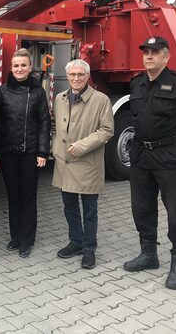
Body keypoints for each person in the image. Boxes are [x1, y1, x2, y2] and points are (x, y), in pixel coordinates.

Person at [123, 36, 176, 290]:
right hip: (140, 156)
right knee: (142, 207)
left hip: (169, 156)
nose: (149, 56)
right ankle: (149, 254)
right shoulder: (136, 83)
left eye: (155, 52)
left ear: (166, 56)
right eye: (146, 51)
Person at [52, 59, 114, 269]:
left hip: (87, 162)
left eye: (80, 75)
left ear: (87, 77)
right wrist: (55, 148)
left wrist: (82, 146)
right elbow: (55, 125)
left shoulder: (101, 100)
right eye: (72, 75)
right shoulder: (60, 98)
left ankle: (89, 248)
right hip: (64, 162)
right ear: (67, 76)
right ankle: (76, 241)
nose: (76, 78)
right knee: (69, 206)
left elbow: (106, 130)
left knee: (89, 210)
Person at [0, 48, 50, 258]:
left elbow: (44, 121)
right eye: (16, 65)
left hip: (30, 153)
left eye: (23, 65)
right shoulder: (1, 91)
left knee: (28, 197)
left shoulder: (38, 92)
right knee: (13, 196)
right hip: (8, 152)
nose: (19, 69)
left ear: (30, 68)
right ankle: (15, 237)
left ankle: (27, 240)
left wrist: (43, 152)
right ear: (11, 68)